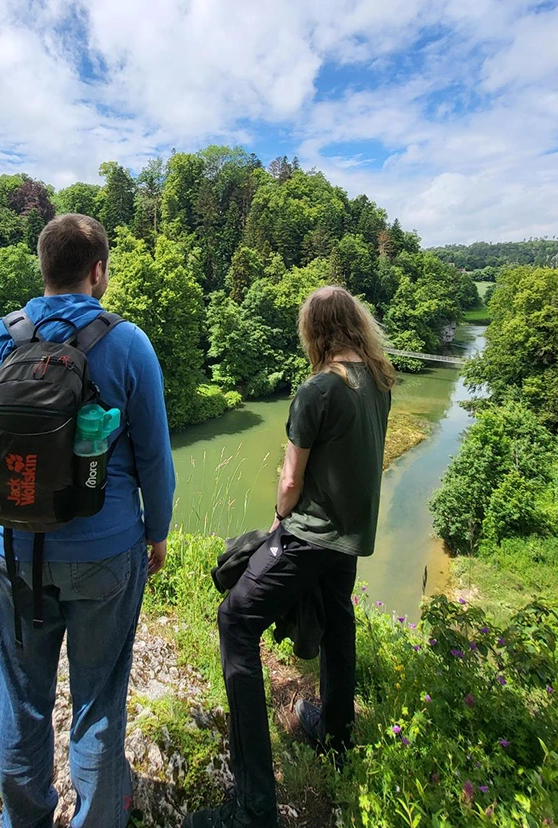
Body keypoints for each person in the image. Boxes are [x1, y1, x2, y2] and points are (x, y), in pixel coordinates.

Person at [0, 213, 175, 828]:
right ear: (97, 271)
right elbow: (154, 456)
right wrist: (157, 535)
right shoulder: (128, 343)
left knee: (22, 698)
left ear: (43, 268)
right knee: (98, 701)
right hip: (107, 552)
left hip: (16, 551)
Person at [185, 285, 394, 828]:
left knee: (235, 621)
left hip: (309, 535)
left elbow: (289, 480)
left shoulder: (318, 389)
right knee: (337, 620)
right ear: (355, 324)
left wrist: (279, 520)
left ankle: (254, 807)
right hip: (348, 536)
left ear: (314, 332)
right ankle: (335, 733)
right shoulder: (377, 380)